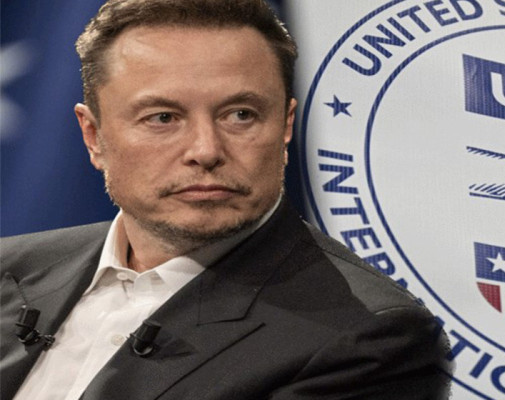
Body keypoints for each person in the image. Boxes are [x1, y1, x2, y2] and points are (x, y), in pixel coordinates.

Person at [0, 0, 452, 398]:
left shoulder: (371, 337)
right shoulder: (9, 268)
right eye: (163, 117)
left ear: (286, 126)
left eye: (240, 115)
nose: (206, 150)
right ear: (93, 135)